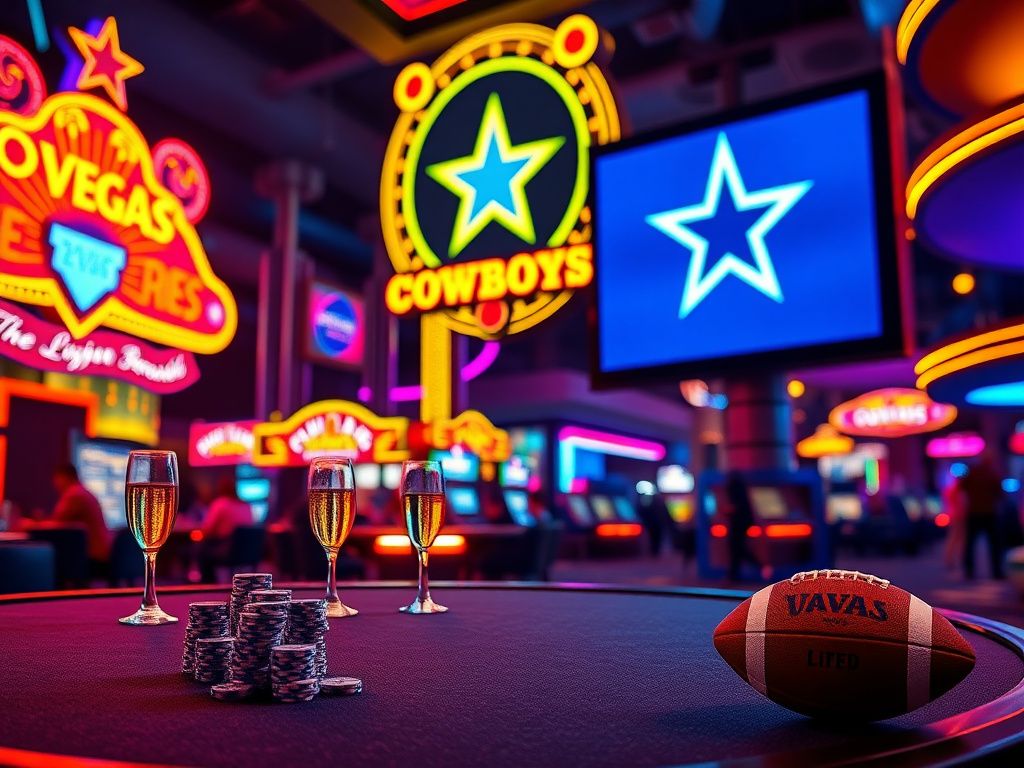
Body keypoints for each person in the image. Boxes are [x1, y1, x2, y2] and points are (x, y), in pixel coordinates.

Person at [52, 463, 110, 577]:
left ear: (64, 477)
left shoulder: (74, 494)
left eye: (56, 479)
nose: (55, 484)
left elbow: (56, 523)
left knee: (51, 561)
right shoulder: (85, 492)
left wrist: (28, 524)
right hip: (103, 555)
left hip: (92, 558)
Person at [198, 475, 253, 582]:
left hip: (227, 550)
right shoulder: (246, 505)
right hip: (249, 552)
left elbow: (208, 530)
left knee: (201, 550)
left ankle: (208, 584)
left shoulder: (220, 504)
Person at [959, 454, 1005, 580]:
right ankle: (997, 571)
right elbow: (1000, 493)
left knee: (970, 543)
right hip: (989, 512)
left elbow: (962, 488)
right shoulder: (993, 474)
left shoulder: (972, 473)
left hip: (974, 511)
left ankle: (969, 571)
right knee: (994, 544)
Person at [723, 471, 760, 582]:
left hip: (738, 523)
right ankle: (734, 574)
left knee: (736, 548)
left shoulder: (734, 489)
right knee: (738, 548)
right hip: (743, 522)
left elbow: (735, 507)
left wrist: (727, 511)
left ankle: (759, 567)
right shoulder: (741, 489)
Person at [942, 475, 966, 572]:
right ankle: (953, 558)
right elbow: (960, 503)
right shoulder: (956, 490)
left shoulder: (950, 489)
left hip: (953, 514)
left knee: (954, 538)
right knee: (957, 538)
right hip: (958, 515)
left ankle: (951, 558)